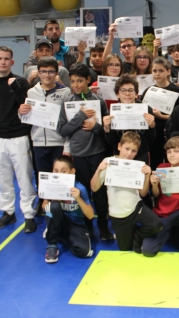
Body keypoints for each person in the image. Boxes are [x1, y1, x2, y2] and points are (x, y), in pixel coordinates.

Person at [0, 46, 37, 233]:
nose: (3, 62)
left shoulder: (21, 82)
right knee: (3, 179)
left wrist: (14, 86)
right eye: (0, 58)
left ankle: (29, 214)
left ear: (12, 62)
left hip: (19, 136)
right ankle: (8, 212)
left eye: (7, 58)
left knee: (24, 177)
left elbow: (27, 104)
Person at [58, 63, 112, 240]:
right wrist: (80, 116)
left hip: (97, 154)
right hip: (78, 155)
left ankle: (104, 227)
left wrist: (95, 126)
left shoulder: (99, 101)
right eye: (72, 81)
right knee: (83, 193)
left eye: (80, 81)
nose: (76, 85)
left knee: (100, 194)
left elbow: (106, 130)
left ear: (88, 80)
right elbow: (63, 130)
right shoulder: (66, 103)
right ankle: (87, 226)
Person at [91, 132, 163, 252]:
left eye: (134, 151)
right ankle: (131, 232)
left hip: (136, 207)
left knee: (156, 225)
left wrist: (147, 175)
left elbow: (143, 193)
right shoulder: (108, 161)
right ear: (119, 146)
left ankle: (138, 235)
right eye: (127, 149)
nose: (129, 154)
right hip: (117, 213)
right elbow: (94, 188)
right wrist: (99, 170)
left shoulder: (138, 166)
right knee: (124, 248)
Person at [19, 56, 71, 176]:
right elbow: (27, 118)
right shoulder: (31, 92)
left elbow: (69, 121)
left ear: (56, 73)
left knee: (60, 179)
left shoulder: (65, 92)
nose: (47, 75)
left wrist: (67, 146)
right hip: (38, 143)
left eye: (51, 71)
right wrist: (20, 112)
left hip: (59, 143)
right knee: (42, 179)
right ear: (38, 73)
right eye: (43, 71)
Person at [43, 156, 94, 263]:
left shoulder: (79, 188)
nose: (59, 174)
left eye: (64, 171)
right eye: (56, 171)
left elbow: (90, 215)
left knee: (84, 252)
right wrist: (54, 199)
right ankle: (52, 243)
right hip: (59, 221)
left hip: (76, 224)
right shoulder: (51, 185)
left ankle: (63, 236)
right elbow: (44, 207)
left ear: (72, 172)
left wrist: (78, 198)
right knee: (53, 206)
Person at [141, 57, 179, 169]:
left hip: (171, 133)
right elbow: (142, 112)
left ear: (168, 71)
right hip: (154, 133)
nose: (157, 74)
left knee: (172, 161)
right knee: (155, 161)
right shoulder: (148, 90)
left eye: (161, 71)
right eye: (154, 71)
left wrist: (162, 116)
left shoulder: (176, 90)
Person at [103, 74, 156, 164]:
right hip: (121, 153)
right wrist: (106, 129)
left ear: (136, 94)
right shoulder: (112, 112)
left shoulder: (146, 109)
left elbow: (151, 139)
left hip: (141, 153)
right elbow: (112, 142)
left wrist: (152, 126)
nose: (127, 93)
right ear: (117, 94)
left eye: (131, 90)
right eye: (123, 90)